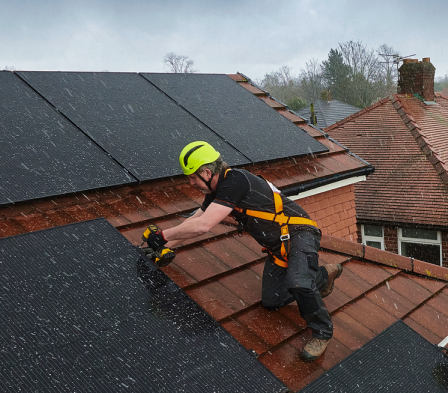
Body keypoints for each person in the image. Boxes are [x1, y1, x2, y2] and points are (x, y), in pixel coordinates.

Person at [144, 141, 342, 361]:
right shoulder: (218, 190)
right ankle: (322, 277)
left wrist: (161, 235)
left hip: (301, 233)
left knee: (298, 282)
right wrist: (163, 247)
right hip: (277, 247)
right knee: (272, 301)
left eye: (192, 177)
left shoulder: (236, 181)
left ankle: (322, 332)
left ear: (207, 172)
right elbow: (195, 219)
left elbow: (203, 226)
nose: (191, 183)